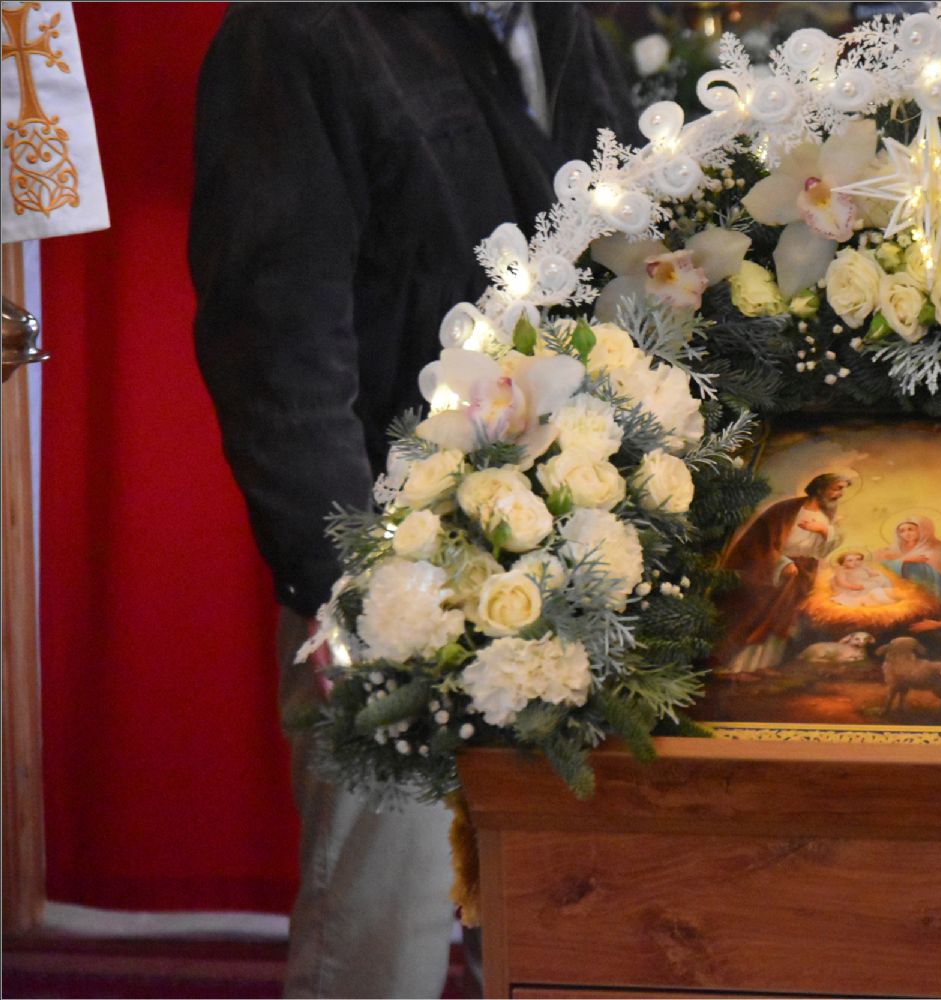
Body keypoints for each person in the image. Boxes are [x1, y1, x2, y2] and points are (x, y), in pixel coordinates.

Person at [189, 5, 637, 996]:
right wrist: (348, 584)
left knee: (562, 917)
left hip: (580, 539)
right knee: (382, 933)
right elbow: (276, 336)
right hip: (398, 562)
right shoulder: (296, 32)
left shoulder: (563, 21)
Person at [714, 473, 850, 674]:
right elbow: (762, 542)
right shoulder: (786, 510)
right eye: (836, 488)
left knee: (782, 620)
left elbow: (824, 550)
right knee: (761, 615)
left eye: (842, 490)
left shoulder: (825, 516)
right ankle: (736, 667)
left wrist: (824, 530)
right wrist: (782, 563)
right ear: (820, 488)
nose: (840, 494)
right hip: (776, 570)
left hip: (803, 573)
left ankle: (763, 665)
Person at [874, 515, 941, 606]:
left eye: (910, 529)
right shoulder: (894, 550)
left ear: (923, 530)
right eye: (902, 531)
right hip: (904, 594)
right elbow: (881, 567)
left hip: (929, 594)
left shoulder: (935, 551)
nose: (906, 534)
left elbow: (935, 576)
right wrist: (905, 560)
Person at [829, 550, 898, 608]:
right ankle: (879, 600)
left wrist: (871, 572)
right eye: (850, 560)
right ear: (843, 563)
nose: (855, 562)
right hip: (854, 588)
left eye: (858, 559)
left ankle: (886, 597)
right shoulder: (843, 570)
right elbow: (842, 582)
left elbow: (871, 574)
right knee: (873, 592)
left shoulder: (862, 567)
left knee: (879, 583)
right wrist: (853, 586)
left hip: (866, 583)